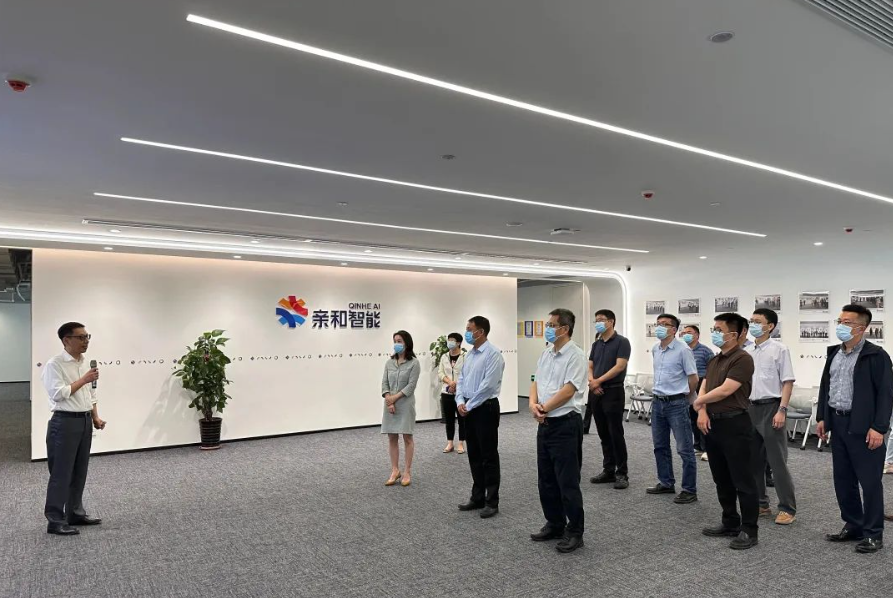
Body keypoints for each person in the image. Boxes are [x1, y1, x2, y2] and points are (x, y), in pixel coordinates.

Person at [818, 305, 893, 554]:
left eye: (847, 322)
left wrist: (879, 428)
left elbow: (886, 395)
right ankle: (854, 524)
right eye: (839, 321)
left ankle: (873, 533)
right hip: (838, 422)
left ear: (862, 328)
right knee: (843, 479)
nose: (840, 326)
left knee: (869, 483)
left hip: (864, 426)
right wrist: (822, 417)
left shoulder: (876, 356)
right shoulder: (834, 353)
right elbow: (826, 387)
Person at [694, 313, 759, 550]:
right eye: (714, 329)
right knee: (721, 477)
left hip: (735, 424)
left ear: (735, 334)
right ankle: (730, 521)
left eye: (719, 330)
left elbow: (725, 390)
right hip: (713, 424)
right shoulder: (715, 359)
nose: (715, 333)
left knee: (743, 479)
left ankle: (749, 530)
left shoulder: (743, 359)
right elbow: (704, 386)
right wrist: (702, 410)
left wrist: (698, 403)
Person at [529, 309, 588, 553]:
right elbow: (536, 380)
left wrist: (543, 408)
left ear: (565, 329)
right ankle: (554, 523)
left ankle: (575, 531)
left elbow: (569, 390)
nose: (548, 329)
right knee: (546, 479)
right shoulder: (546, 353)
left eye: (552, 325)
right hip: (545, 424)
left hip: (565, 423)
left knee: (567, 481)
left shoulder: (576, 355)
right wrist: (533, 404)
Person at [41, 322, 106, 536]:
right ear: (66, 340)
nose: (86, 341)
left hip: (84, 421)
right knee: (61, 473)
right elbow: (58, 394)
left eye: (87, 336)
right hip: (64, 422)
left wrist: (95, 417)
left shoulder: (84, 362)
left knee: (79, 470)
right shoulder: (55, 364)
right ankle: (55, 520)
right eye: (81, 337)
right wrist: (84, 379)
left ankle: (75, 513)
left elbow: (90, 394)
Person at [745, 308, 797, 525]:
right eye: (751, 320)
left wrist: (782, 410)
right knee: (753, 462)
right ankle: (761, 503)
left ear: (770, 326)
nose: (753, 324)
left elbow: (787, 382)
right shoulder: (747, 351)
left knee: (777, 462)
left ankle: (787, 508)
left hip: (772, 408)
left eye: (758, 321)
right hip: (750, 408)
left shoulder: (779, 349)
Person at [646, 313, 699, 504]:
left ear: (674, 330)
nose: (659, 327)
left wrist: (683, 398)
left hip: (677, 403)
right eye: (658, 323)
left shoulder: (683, 350)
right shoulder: (656, 349)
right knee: (660, 446)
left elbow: (693, 378)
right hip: (657, 402)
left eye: (664, 324)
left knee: (684, 448)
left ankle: (689, 490)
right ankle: (666, 482)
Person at [456, 316, 506, 519]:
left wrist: (468, 405)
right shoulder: (469, 355)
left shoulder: (493, 354)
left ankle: (492, 501)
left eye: (470, 329)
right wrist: (460, 400)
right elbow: (461, 379)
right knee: (474, 454)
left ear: (481, 332)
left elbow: (488, 387)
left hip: (485, 408)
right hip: (468, 407)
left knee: (488, 455)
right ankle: (477, 496)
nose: (467, 333)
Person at [586, 309, 632, 490]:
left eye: (601, 319)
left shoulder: (622, 342)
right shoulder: (596, 344)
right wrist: (592, 382)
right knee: (603, 433)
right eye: (596, 320)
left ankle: (622, 473)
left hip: (613, 392)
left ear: (611, 321)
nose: (598, 323)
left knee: (615, 433)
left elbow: (620, 366)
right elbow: (590, 366)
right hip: (596, 392)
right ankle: (608, 470)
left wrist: (599, 381)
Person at [381, 330, 421, 487]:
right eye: (395, 341)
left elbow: (411, 386)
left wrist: (394, 398)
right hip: (389, 404)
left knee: (407, 438)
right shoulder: (389, 363)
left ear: (407, 343)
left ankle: (407, 471)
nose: (396, 344)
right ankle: (395, 470)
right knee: (392, 438)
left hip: (405, 404)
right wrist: (389, 400)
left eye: (399, 341)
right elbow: (384, 383)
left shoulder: (414, 363)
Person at [681, 325, 714, 460]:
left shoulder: (705, 351)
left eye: (689, 332)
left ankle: (707, 448)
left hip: (702, 385)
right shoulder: (682, 350)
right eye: (684, 332)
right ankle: (697, 445)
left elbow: (712, 370)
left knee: (703, 417)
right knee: (692, 418)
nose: (686, 334)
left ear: (697, 335)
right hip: (687, 385)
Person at [438, 332, 466, 454]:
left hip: (461, 393)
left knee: (462, 419)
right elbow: (440, 373)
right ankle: (450, 443)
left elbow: (467, 374)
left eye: (452, 340)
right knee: (449, 420)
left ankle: (461, 443)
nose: (449, 342)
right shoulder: (444, 356)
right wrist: (450, 382)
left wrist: (456, 384)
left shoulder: (465, 356)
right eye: (448, 340)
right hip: (446, 392)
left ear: (458, 343)